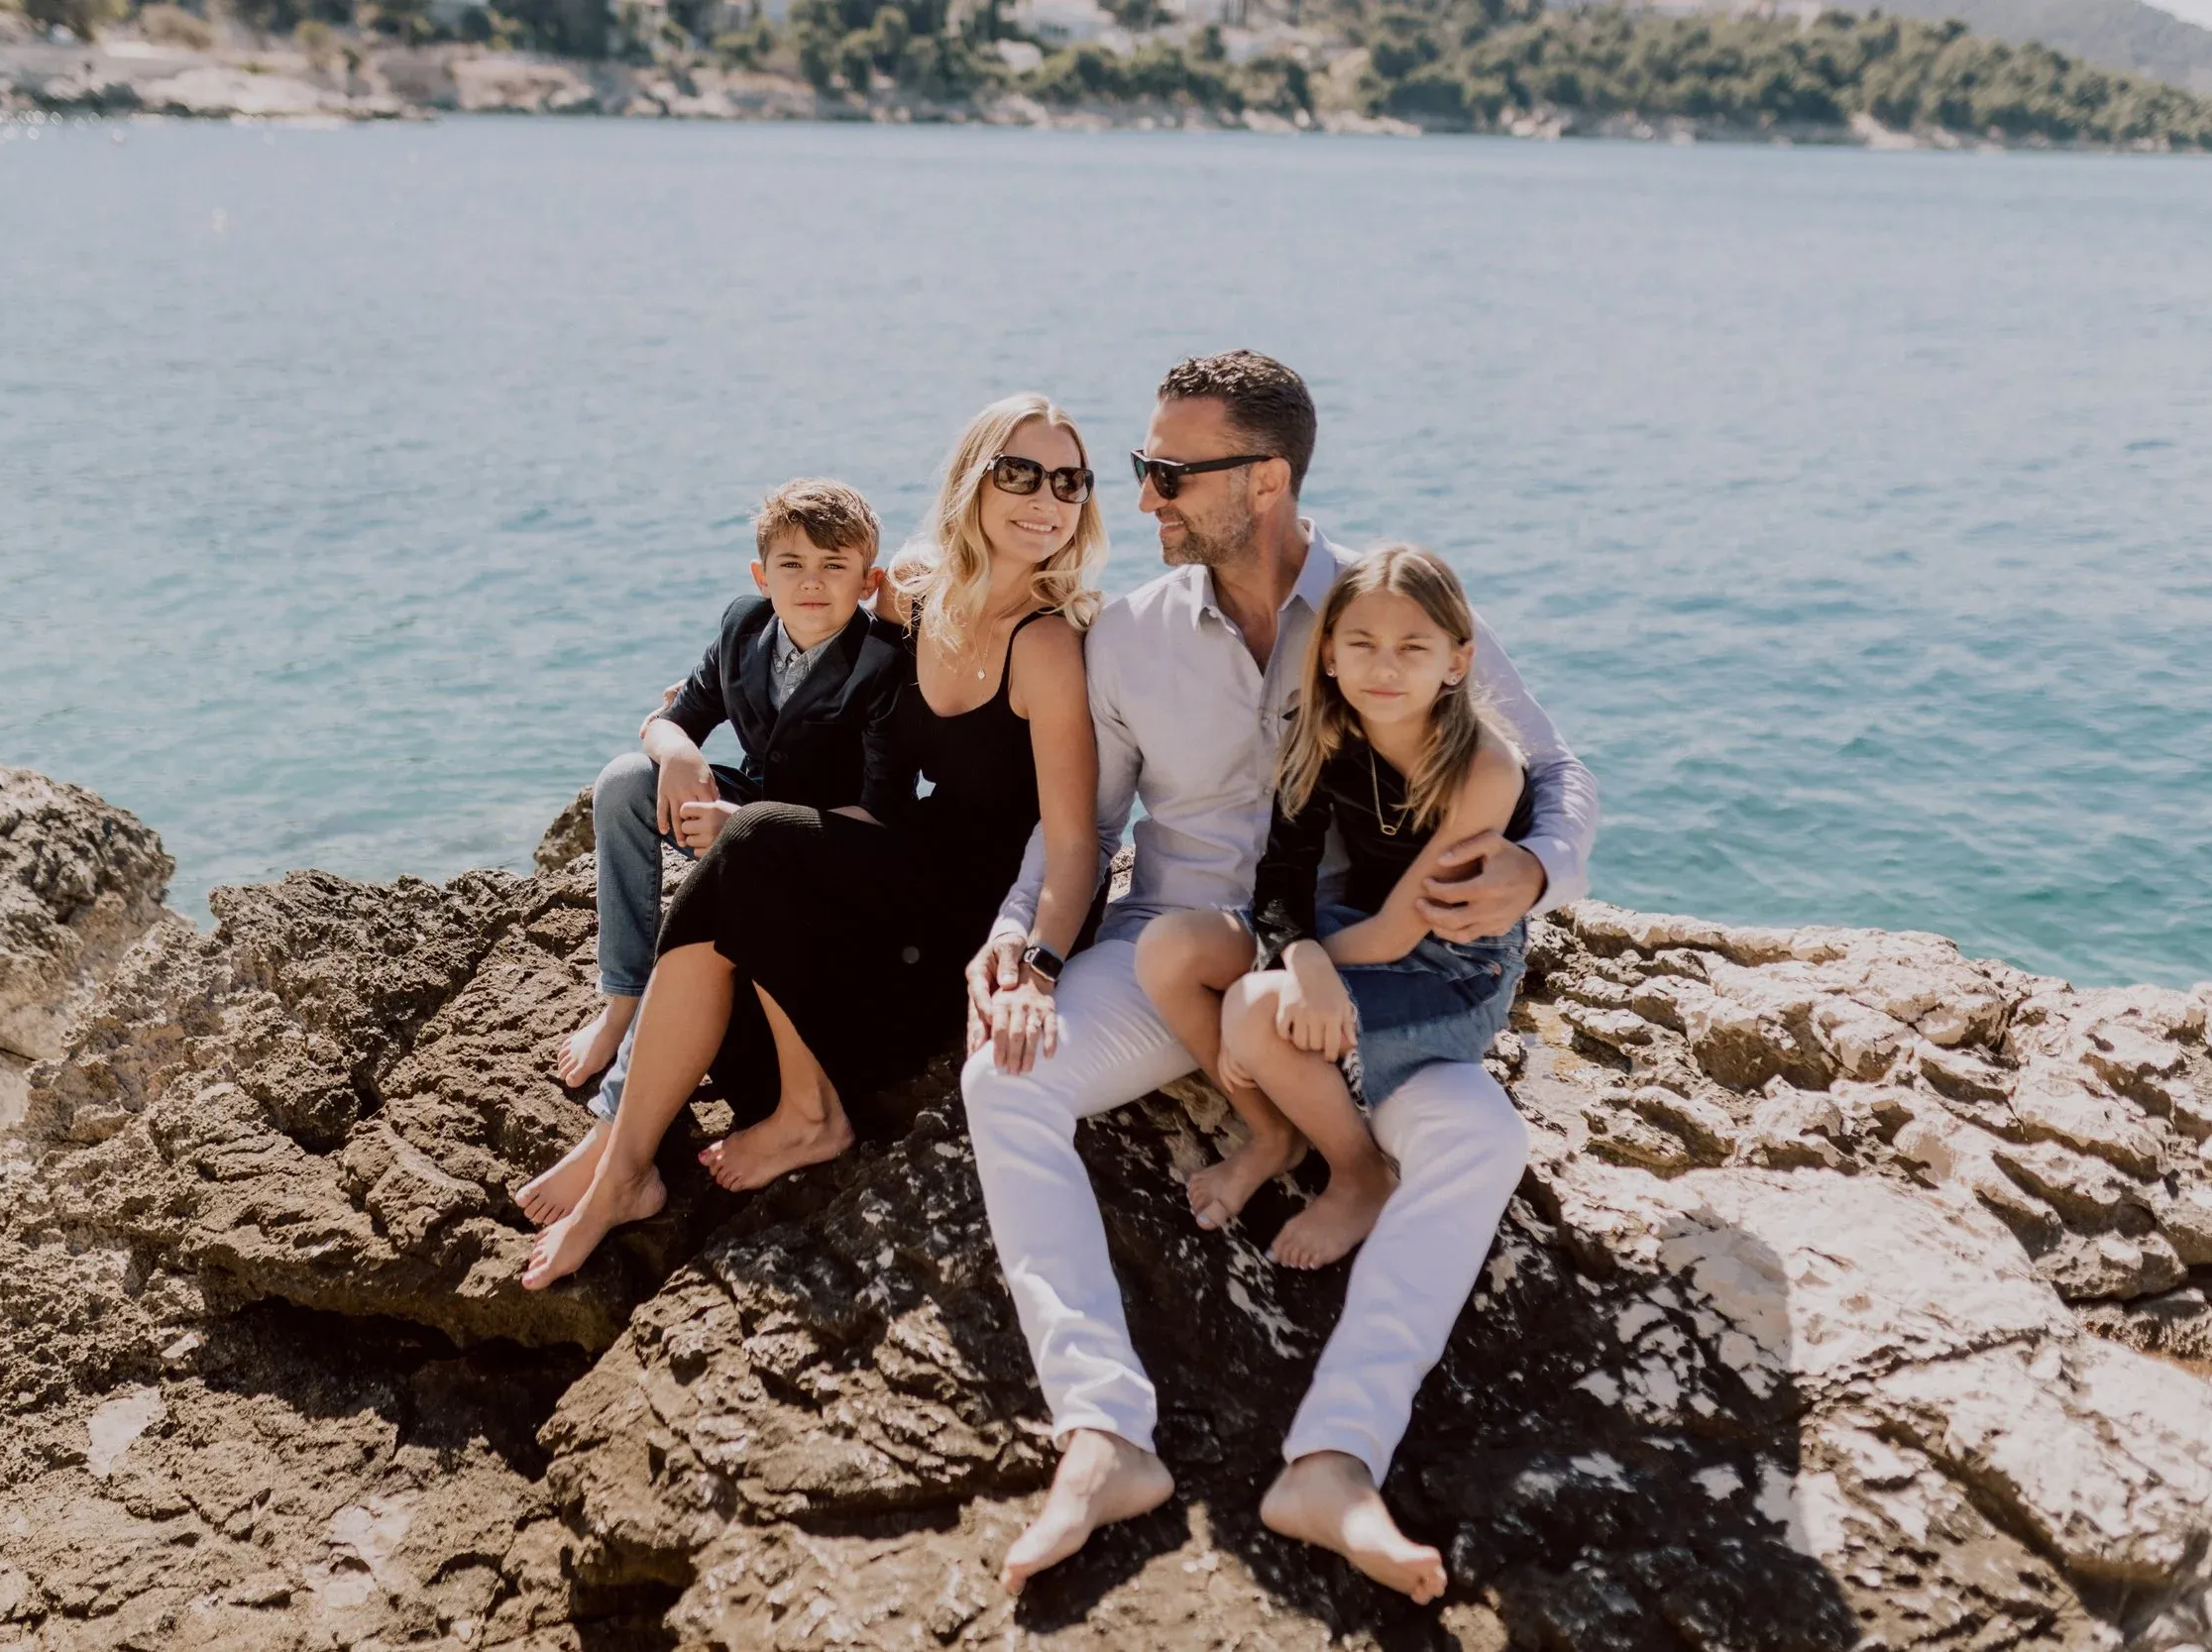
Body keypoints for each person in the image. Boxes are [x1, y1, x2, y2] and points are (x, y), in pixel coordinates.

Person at [957, 352, 1599, 1602]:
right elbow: (1078, 823)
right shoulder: (1131, 633)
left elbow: (1553, 766)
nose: (1139, 498)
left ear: (1264, 479)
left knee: (1479, 1138)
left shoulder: (1382, 606)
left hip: (1366, 967)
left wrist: (1535, 872)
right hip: (1179, 946)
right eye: (1139, 470)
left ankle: (1337, 1456)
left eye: (1164, 472)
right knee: (1004, 1075)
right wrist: (1020, 938)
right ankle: (1102, 1432)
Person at [519, 393, 1108, 1287]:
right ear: (972, 481)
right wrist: (672, 736)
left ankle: (801, 1116)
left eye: (1069, 482)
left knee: (754, 842)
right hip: (902, 857)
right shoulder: (912, 591)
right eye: (1019, 472)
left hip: (968, 905)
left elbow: (1074, 844)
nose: (1046, 498)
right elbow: (799, 616)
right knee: (734, 919)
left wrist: (1035, 968)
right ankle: (621, 1164)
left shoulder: (1047, 646)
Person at [518, 481, 909, 1227]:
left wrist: (747, 821)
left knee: (748, 854)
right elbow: (670, 719)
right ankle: (623, 996)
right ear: (762, 577)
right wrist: (675, 753)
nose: (812, 582)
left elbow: (884, 811)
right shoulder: (744, 626)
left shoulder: (884, 663)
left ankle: (615, 1134)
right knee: (625, 782)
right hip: (746, 813)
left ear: (870, 580)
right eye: (791, 564)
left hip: (825, 846)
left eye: (835, 565)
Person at [1139, 544, 1533, 1272]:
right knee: (1170, 949)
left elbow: (1404, 927)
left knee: (1255, 1009)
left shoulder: (1485, 767)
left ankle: (1359, 1174)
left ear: (1457, 659)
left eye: (1413, 647)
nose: (1384, 668)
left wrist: (1303, 969)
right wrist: (1300, 953)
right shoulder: (1323, 734)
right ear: (1327, 656)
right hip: (1354, 930)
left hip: (1454, 968)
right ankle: (1272, 1134)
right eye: (1362, 644)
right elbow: (1281, 880)